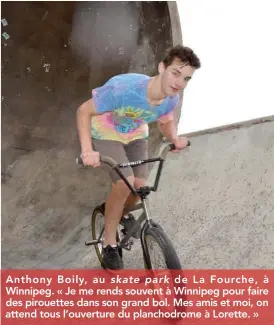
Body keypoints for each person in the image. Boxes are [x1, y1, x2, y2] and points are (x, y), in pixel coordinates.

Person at [76, 45, 201, 269]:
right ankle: (109, 244)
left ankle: (116, 212)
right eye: (175, 73)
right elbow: (84, 111)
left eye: (186, 79)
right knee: (124, 184)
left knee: (141, 185)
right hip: (106, 130)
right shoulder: (125, 89)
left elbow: (165, 121)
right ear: (162, 67)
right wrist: (87, 150)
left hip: (134, 133)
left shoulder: (170, 99)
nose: (179, 83)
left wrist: (174, 139)